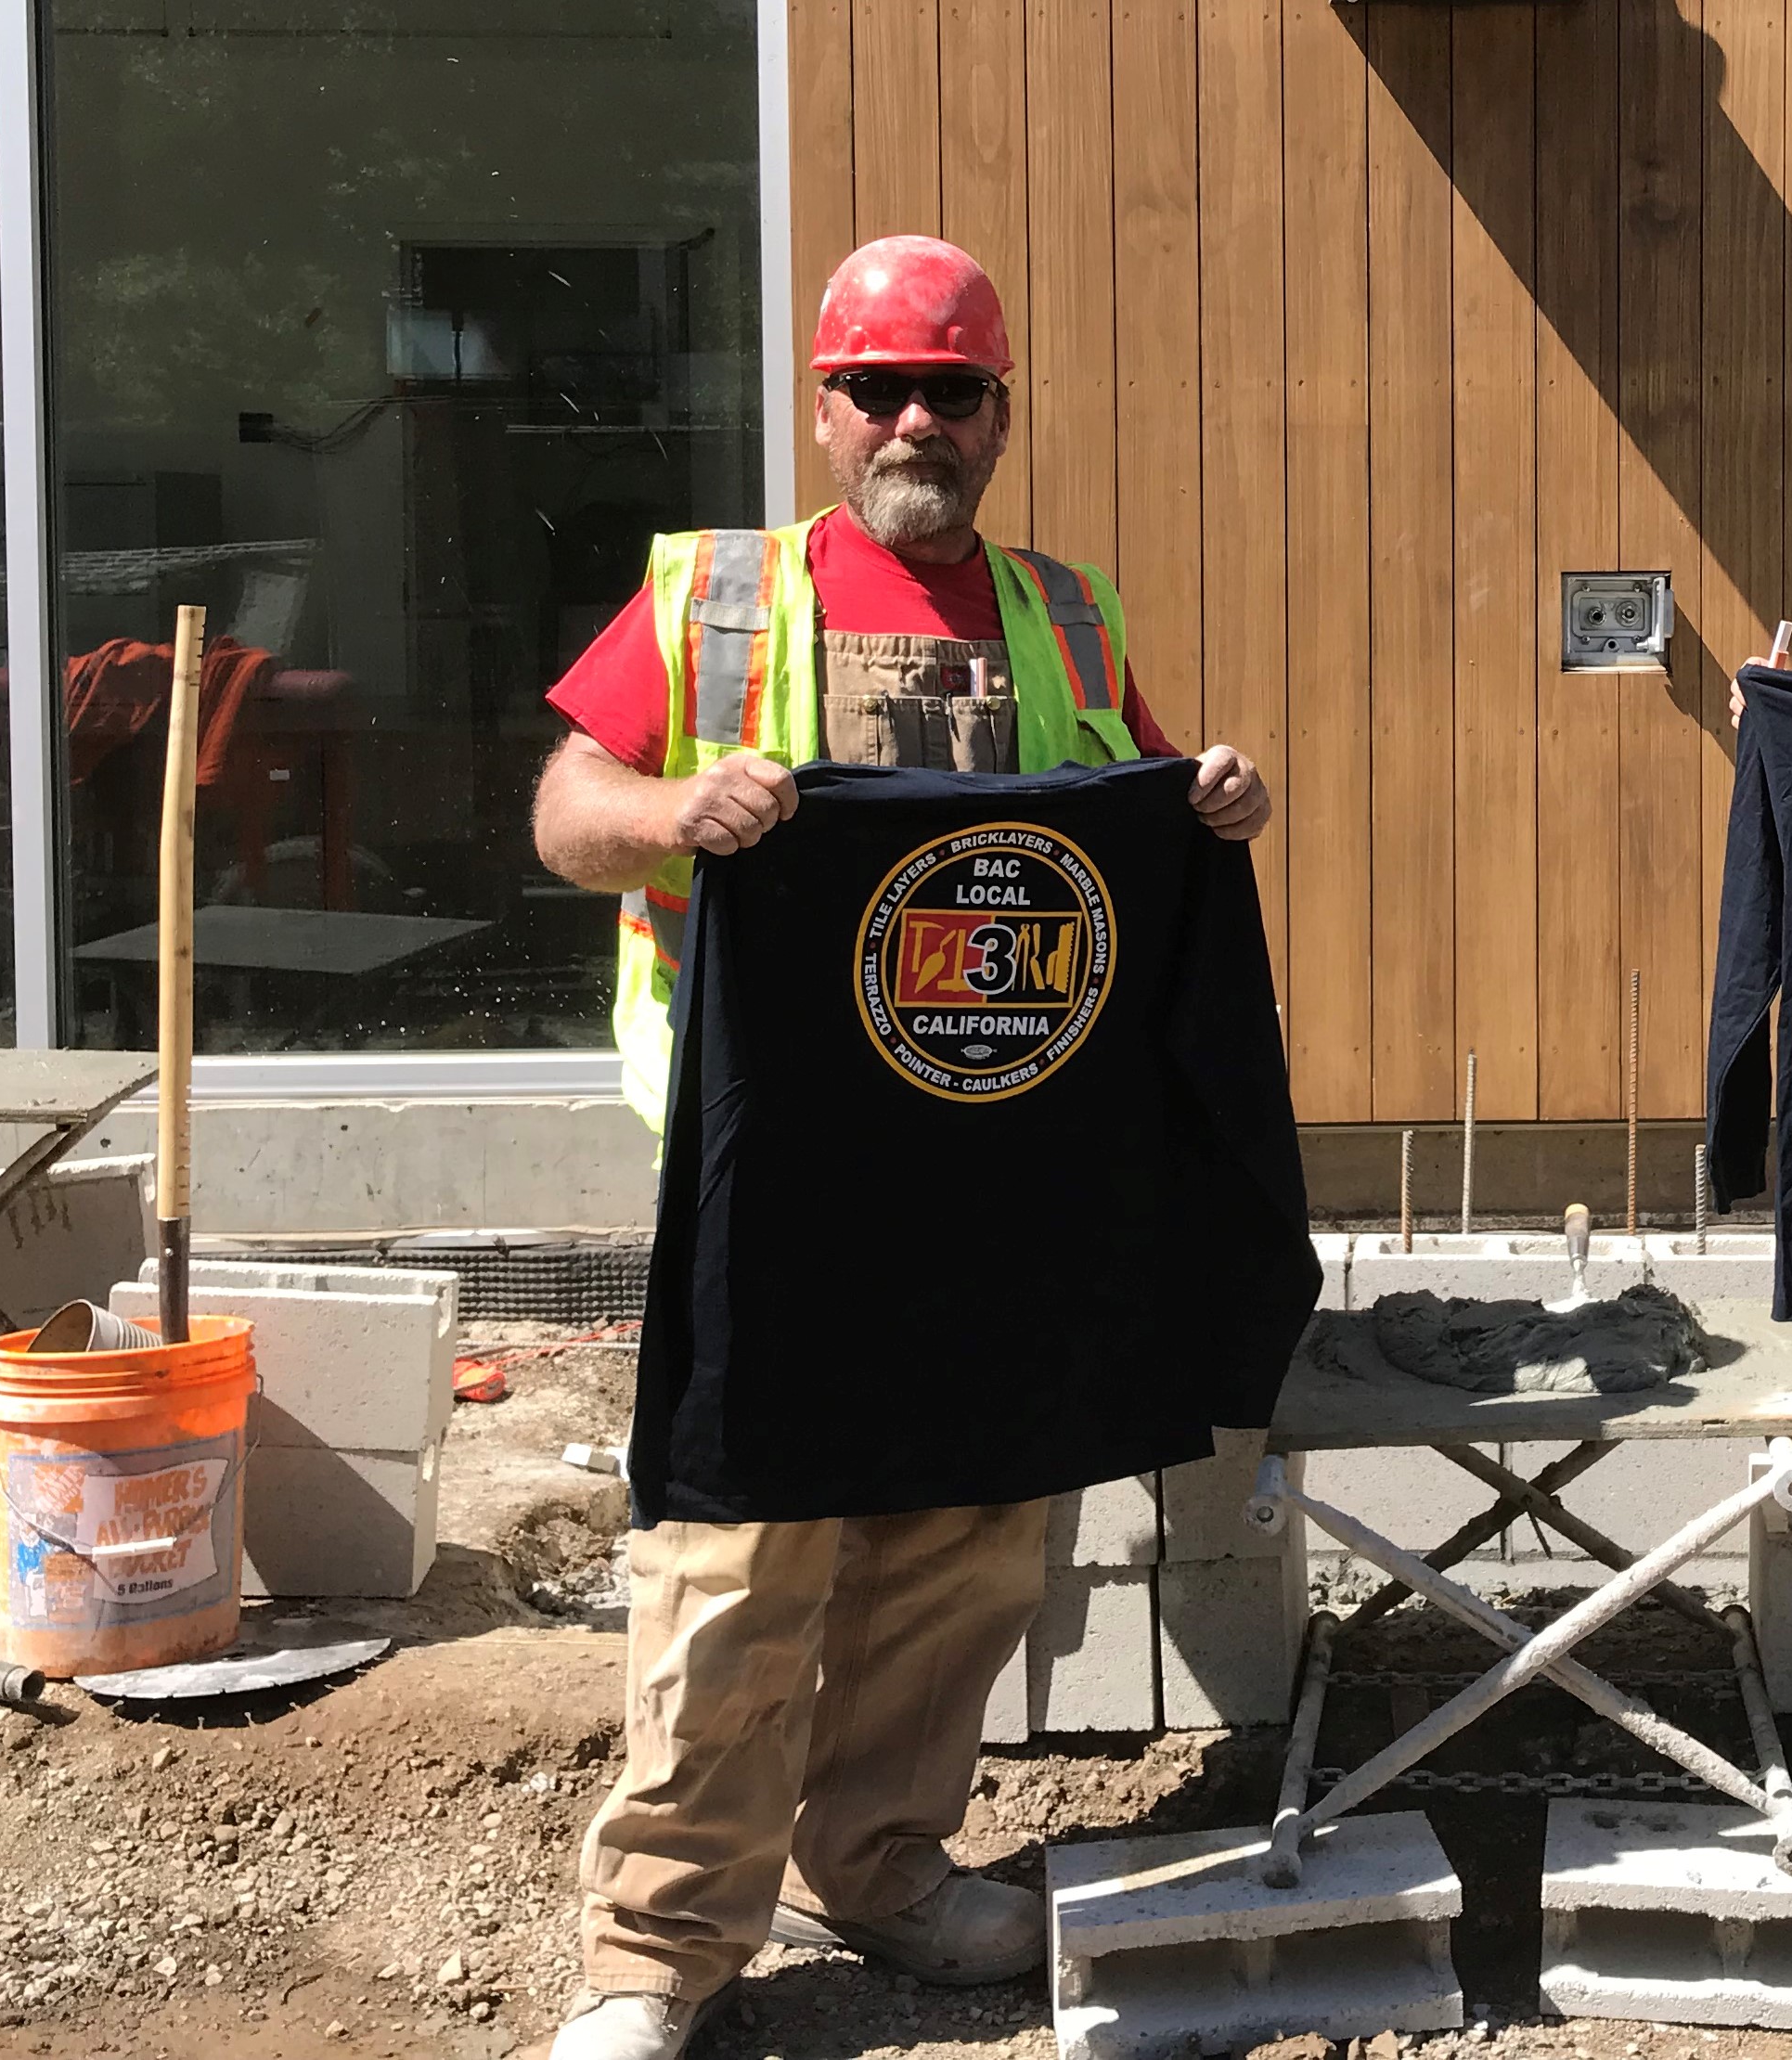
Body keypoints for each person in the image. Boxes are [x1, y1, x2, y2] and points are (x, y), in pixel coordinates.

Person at [522, 233, 1273, 2060]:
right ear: (826, 410)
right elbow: (564, 813)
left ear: (1001, 412)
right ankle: (655, 1951)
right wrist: (673, 812)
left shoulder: (1065, 619)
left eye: (951, 389)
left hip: (1004, 1173)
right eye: (879, 389)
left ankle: (880, 1864)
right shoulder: (716, 599)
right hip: (772, 1181)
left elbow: (1142, 818)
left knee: (971, 1538)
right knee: (741, 1549)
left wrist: (1215, 798)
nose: (914, 421)